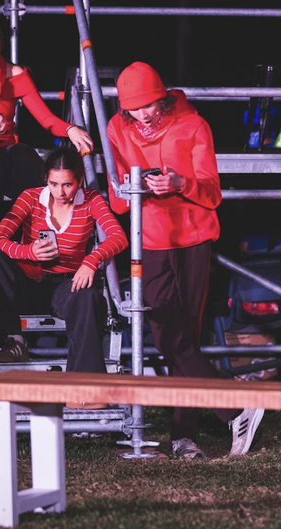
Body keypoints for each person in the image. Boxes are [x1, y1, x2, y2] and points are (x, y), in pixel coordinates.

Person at [106, 61, 264, 459]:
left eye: (149, 105)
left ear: (162, 97)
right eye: (134, 108)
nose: (143, 114)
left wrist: (180, 183)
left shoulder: (194, 125)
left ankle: (183, 436)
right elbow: (117, 200)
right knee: (166, 336)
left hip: (194, 238)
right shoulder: (116, 129)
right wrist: (138, 186)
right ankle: (236, 408)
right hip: (149, 240)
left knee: (185, 339)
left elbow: (213, 193)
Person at [0, 147, 128, 373]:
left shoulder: (91, 199)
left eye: (67, 185)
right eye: (54, 184)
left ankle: (83, 382)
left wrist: (91, 260)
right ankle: (13, 341)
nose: (60, 192)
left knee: (90, 297)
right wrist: (28, 251)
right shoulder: (30, 197)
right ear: (46, 180)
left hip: (65, 287)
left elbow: (119, 237)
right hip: (28, 284)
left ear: (79, 181)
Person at [0, 12, 94, 220]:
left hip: (5, 155)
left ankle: (41, 228)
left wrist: (70, 129)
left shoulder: (16, 75)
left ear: (1, 44)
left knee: (23, 153)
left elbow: (46, 119)